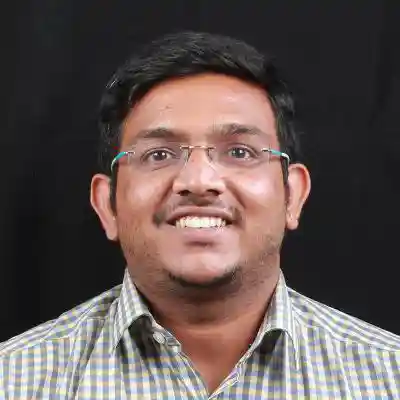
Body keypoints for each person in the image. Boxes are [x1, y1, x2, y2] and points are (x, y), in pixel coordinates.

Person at [1, 31, 399, 399]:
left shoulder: (387, 376)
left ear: (292, 195)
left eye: (240, 152)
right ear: (108, 205)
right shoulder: (15, 380)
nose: (198, 181)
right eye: (159, 154)